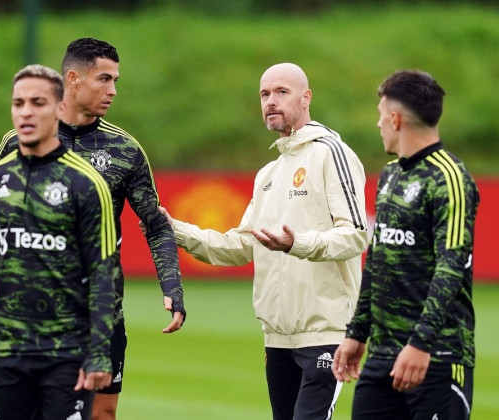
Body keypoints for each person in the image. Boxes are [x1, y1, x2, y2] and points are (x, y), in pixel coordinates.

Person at [0, 38, 186, 420]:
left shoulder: (124, 150)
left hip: (98, 315)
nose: (113, 91)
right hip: (23, 321)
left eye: (115, 81)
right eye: (104, 79)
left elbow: (155, 222)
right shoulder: (15, 146)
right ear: (73, 79)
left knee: (101, 415)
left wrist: (171, 286)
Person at [149, 63, 368, 420]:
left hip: (325, 332)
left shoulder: (330, 152)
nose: (271, 101)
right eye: (264, 94)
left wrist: (296, 243)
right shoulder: (269, 173)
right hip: (276, 337)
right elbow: (241, 245)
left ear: (306, 97)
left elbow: (357, 234)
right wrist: (175, 230)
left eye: (282, 92)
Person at [0, 64, 117, 419]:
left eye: (38, 102)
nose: (26, 111)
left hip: (67, 355)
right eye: (18, 103)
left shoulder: (87, 184)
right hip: (8, 354)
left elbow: (104, 274)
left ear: (59, 108)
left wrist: (100, 352)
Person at [332, 69, 480, 420]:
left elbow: (452, 267)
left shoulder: (451, 178)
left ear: (395, 119)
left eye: (381, 116)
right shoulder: (390, 174)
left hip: (436, 357)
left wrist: (421, 344)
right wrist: (358, 332)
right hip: (382, 357)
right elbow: (378, 259)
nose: (378, 124)